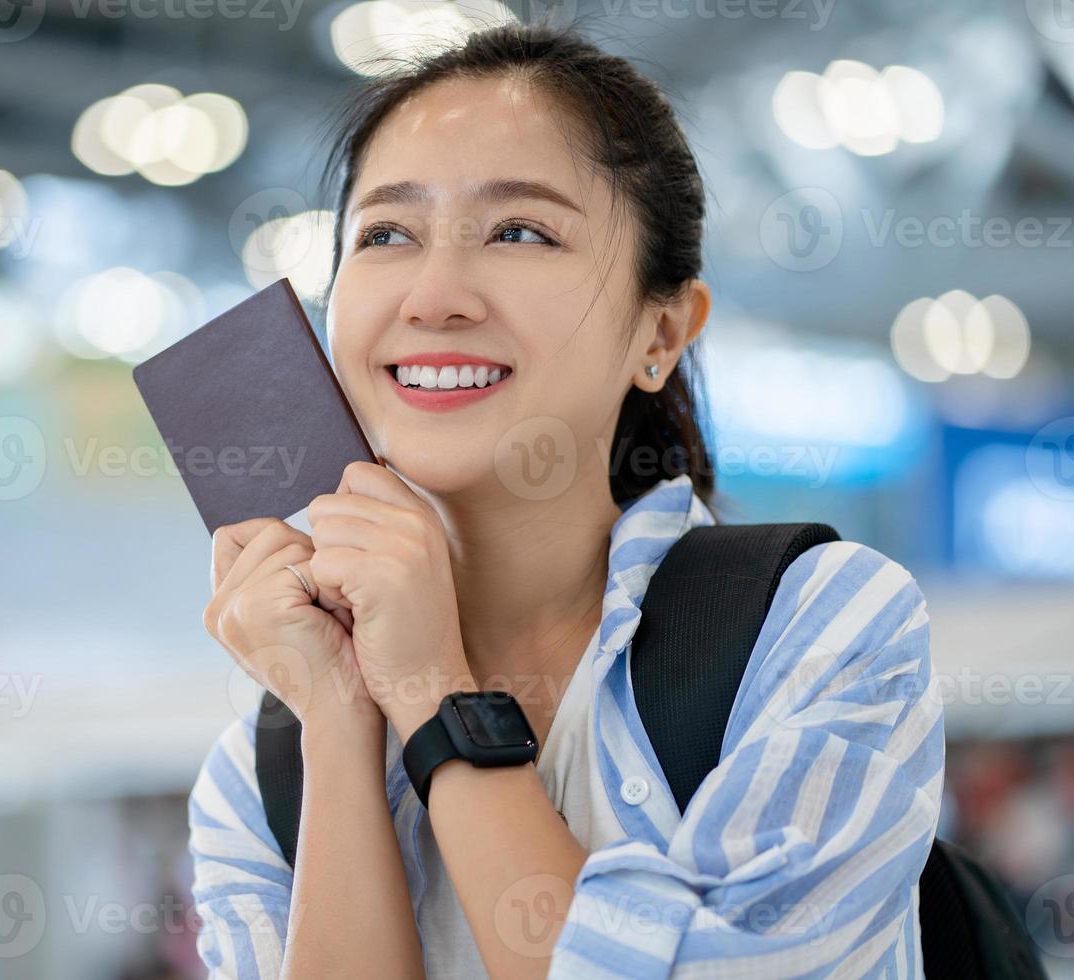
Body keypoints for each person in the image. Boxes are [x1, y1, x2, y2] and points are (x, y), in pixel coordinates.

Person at [187, 20, 944, 978]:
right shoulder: (260, 775)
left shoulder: (821, 630)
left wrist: (435, 696)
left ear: (661, 329)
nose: (434, 295)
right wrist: (341, 721)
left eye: (519, 231)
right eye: (386, 233)